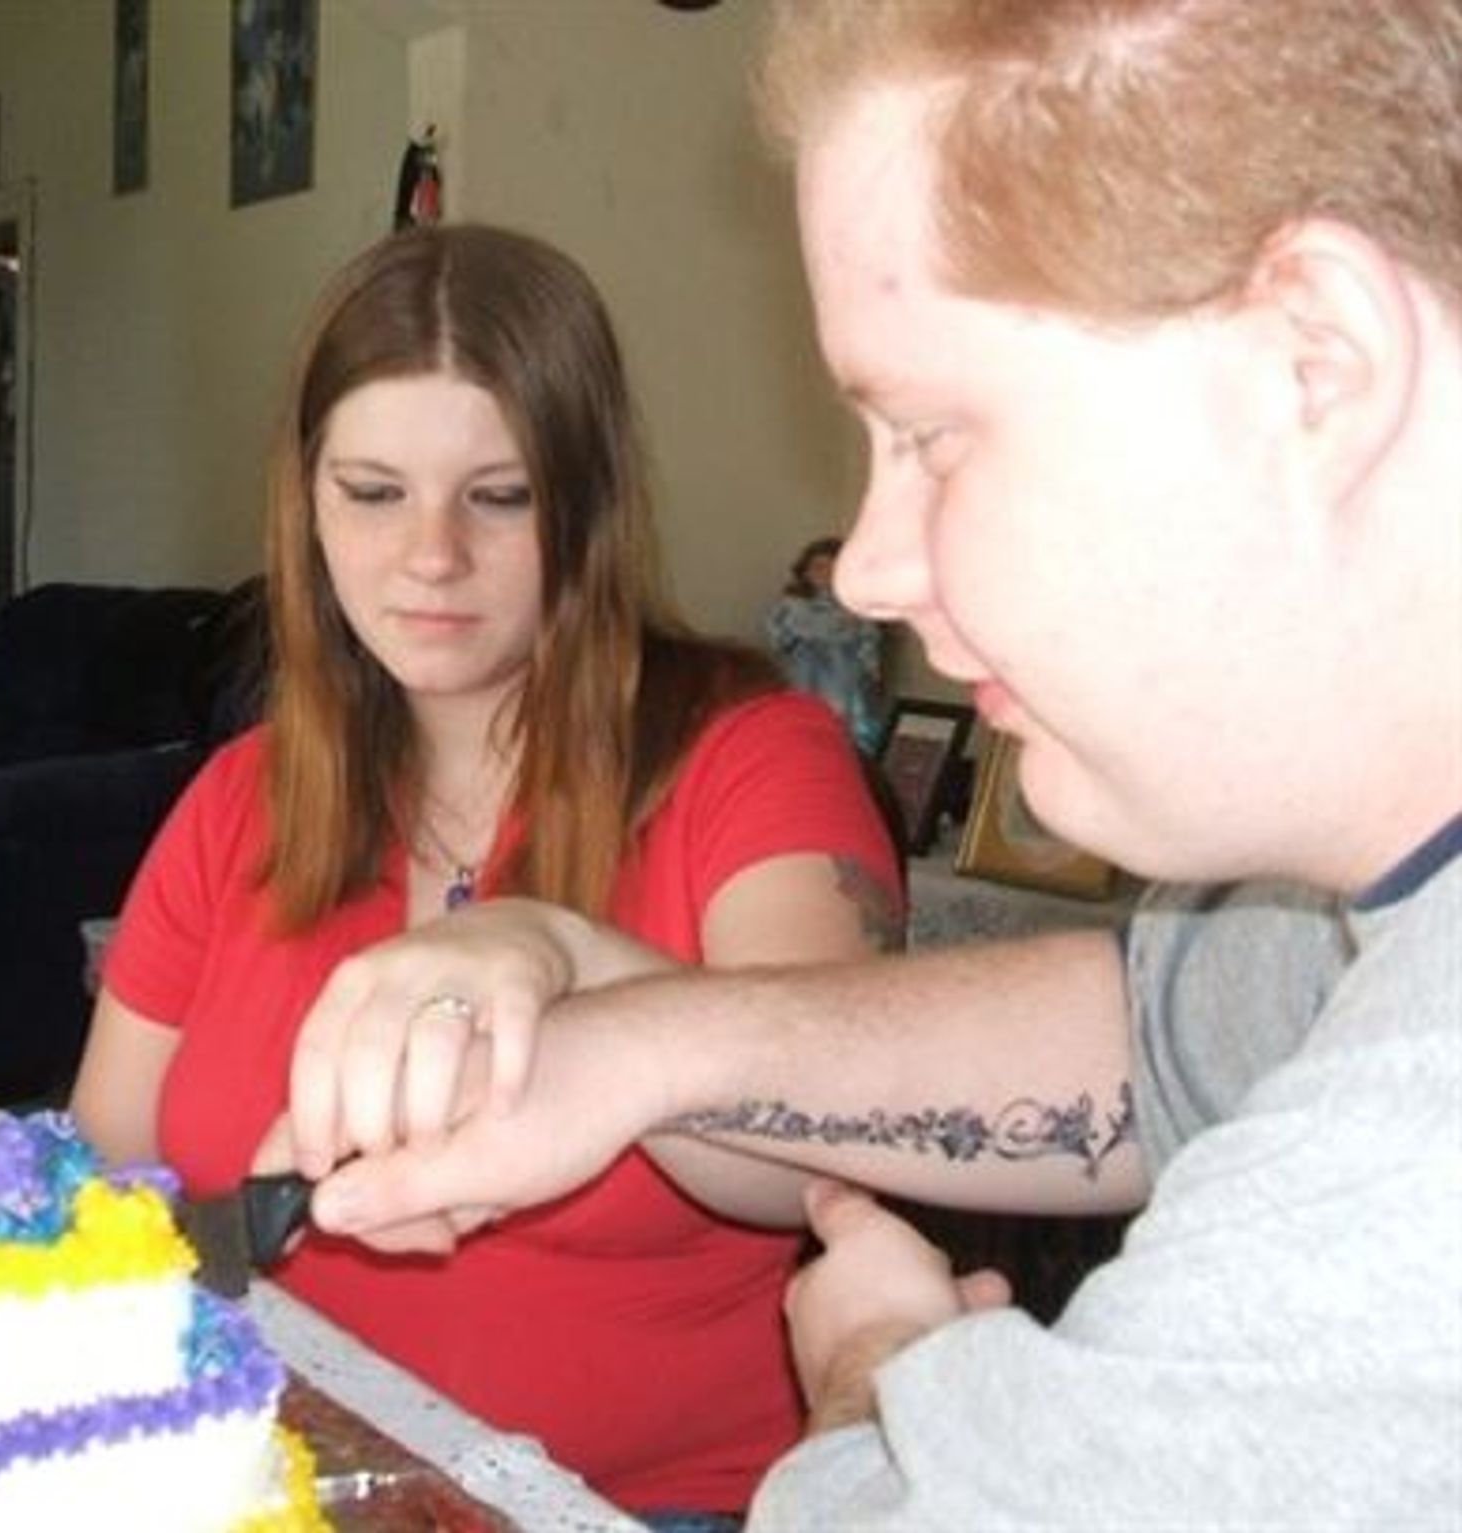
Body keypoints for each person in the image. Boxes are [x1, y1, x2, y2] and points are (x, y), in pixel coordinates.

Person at [282, 2, 1462, 1527]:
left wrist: (881, 1378)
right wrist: (637, 1038)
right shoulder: (1349, 911)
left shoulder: (1409, 1171)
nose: (868, 567)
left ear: (1319, 362)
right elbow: (1147, 1031)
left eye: (932, 436)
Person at [67, 223, 904, 1526]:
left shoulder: (755, 757)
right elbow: (110, 1178)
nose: (431, 555)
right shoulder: (239, 797)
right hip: (271, 1483)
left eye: (499, 496)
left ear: (586, 504)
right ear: (306, 503)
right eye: (373, 491)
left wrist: (569, 954)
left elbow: (820, 1140)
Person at [764, 535, 886, 753]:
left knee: (846, 724)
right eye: (818, 567)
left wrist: (870, 670)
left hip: (845, 678)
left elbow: (869, 643)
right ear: (805, 571)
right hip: (805, 675)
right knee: (805, 726)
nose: (825, 574)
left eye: (832, 568)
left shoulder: (856, 607)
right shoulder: (791, 606)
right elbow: (778, 640)